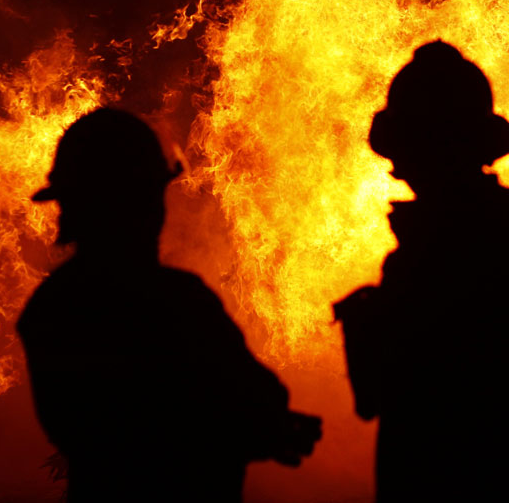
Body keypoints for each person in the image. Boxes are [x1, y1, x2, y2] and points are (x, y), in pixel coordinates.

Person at [17, 107, 320, 501]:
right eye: (151, 196)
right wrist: (259, 431)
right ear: (142, 205)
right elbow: (253, 401)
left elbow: (90, 431)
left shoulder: (52, 309)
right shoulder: (177, 303)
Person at [335, 41, 509, 501]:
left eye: (405, 150)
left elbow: (384, 394)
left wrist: (368, 323)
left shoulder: (426, 256)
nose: (395, 168)